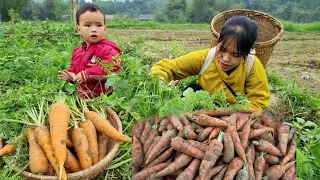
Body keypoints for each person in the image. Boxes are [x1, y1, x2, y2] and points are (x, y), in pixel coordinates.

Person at [149, 16, 270, 112]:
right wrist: (156, 84)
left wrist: (234, 117)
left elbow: (259, 102)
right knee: (192, 90)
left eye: (235, 55)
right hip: (202, 108)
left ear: (245, 54)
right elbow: (166, 67)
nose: (226, 59)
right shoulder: (205, 58)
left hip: (235, 115)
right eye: (222, 49)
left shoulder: (252, 67)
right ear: (218, 42)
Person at [58, 3, 121, 99]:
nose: (94, 29)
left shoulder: (108, 49)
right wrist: (71, 77)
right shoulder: (78, 52)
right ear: (79, 29)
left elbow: (113, 69)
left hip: (104, 98)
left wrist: (87, 74)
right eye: (87, 25)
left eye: (99, 25)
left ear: (104, 29)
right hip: (84, 97)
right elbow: (74, 71)